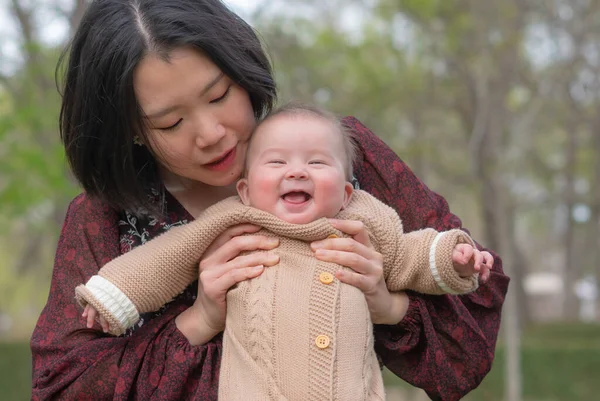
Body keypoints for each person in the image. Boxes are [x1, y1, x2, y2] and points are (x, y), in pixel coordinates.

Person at [30, 1, 509, 400]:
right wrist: (200, 320)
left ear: (244, 71)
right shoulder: (105, 219)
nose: (212, 134)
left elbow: (469, 339)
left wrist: (385, 303)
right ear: (131, 131)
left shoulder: (339, 156)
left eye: (219, 95)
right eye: (170, 124)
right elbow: (62, 389)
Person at [76, 104, 486, 400]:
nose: (297, 171)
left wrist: (452, 256)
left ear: (346, 191)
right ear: (246, 189)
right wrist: (112, 295)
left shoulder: (362, 219)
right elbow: (168, 256)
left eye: (317, 162)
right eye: (277, 162)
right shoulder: (235, 219)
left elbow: (405, 256)